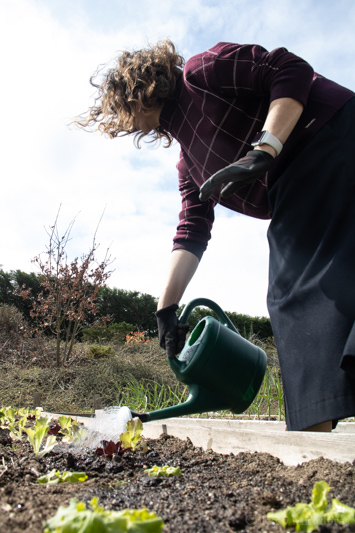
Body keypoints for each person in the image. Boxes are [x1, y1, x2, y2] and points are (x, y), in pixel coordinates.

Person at [75, 40, 355, 432]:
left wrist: (265, 148)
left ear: (134, 93)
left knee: (294, 293)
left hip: (330, 136)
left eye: (119, 109)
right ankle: (318, 435)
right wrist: (166, 309)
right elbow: (192, 229)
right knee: (332, 284)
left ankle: (315, 439)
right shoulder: (189, 164)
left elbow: (290, 69)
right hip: (302, 181)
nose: (121, 122)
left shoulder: (200, 73)